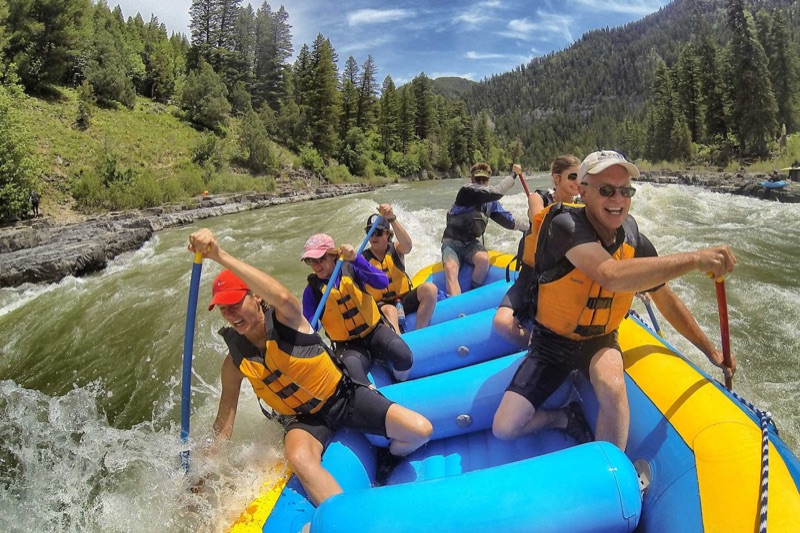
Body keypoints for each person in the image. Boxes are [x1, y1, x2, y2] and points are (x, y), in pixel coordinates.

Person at [492, 150, 737, 451]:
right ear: (583, 191)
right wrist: (696, 259)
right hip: (551, 342)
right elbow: (609, 274)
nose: (617, 199)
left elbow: (667, 301)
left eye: (625, 191)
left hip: (599, 341)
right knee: (504, 428)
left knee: (612, 384)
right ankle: (563, 418)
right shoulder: (564, 226)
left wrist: (712, 353)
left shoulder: (634, 240)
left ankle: (611, 469)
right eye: (606, 190)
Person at [187, 228, 432, 506]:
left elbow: (281, 296)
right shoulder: (234, 364)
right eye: (223, 309)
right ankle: (343, 518)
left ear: (256, 297)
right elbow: (222, 429)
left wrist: (219, 255)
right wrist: (200, 475)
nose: (230, 314)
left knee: (421, 430)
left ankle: (388, 457)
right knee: (299, 458)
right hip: (303, 420)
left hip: (343, 398)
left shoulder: (288, 319)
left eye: (234, 303)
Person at [301, 233, 415, 384]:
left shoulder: (352, 268)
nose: (316, 266)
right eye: (310, 261)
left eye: (320, 259)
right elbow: (310, 329)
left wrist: (356, 259)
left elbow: (382, 282)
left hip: (375, 332)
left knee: (404, 356)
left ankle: (399, 383)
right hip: (349, 347)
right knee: (355, 377)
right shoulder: (311, 292)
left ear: (332, 255)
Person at [493, 156, 581, 347]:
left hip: (561, 283)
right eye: (572, 176)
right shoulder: (538, 198)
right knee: (501, 323)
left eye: (580, 177)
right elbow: (538, 219)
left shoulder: (584, 206)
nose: (578, 182)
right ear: (556, 178)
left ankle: (542, 345)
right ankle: (535, 345)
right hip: (530, 278)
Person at [441, 162, 530, 297]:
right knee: (450, 268)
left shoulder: (491, 203)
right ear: (472, 179)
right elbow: (497, 192)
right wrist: (513, 175)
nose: (481, 182)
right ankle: (456, 303)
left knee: (483, 260)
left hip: (471, 244)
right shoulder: (466, 192)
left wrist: (530, 227)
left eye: (484, 179)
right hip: (451, 243)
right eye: (478, 179)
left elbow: (509, 222)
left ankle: (473, 293)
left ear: (488, 180)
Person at [362, 204, 438, 332]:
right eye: (370, 233)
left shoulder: (396, 249)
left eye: (378, 232)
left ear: (387, 234)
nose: (374, 237)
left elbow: (408, 245)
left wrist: (391, 218)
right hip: (381, 306)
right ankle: (399, 339)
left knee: (430, 289)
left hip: (402, 300)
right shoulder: (362, 259)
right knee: (390, 310)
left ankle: (420, 331)